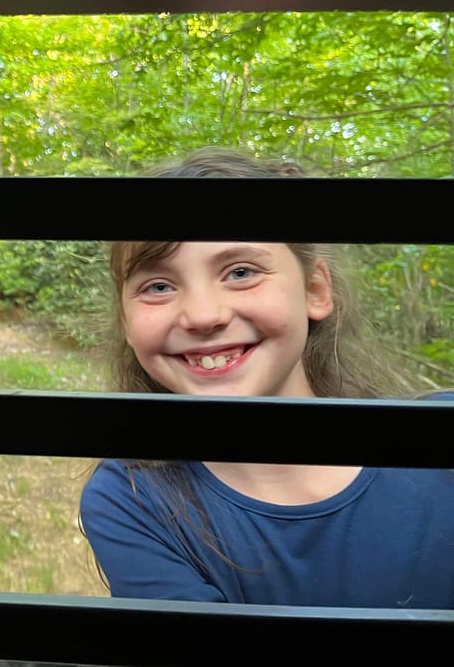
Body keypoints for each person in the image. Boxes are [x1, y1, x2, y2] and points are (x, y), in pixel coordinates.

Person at [78, 147, 454, 609]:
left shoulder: (438, 445)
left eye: (241, 272)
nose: (203, 315)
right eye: (158, 286)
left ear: (315, 290)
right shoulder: (132, 499)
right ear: (126, 321)